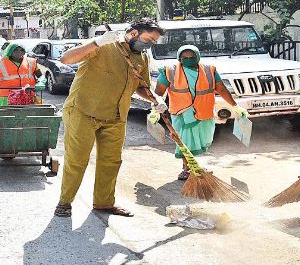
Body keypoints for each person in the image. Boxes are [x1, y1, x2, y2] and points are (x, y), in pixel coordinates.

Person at [54, 18, 167, 218]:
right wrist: (96, 43)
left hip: (116, 115)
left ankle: (104, 203)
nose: (150, 45)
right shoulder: (104, 46)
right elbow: (66, 59)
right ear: (133, 33)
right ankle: (65, 202)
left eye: (154, 42)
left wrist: (155, 99)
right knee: (77, 160)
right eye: (148, 40)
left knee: (111, 161)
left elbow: (141, 86)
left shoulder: (142, 58)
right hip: (84, 111)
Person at [152, 45, 248, 180]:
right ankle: (187, 168)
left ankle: (192, 166)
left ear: (197, 56)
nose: (188, 60)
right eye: (184, 58)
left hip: (204, 112)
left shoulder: (209, 70)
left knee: (204, 140)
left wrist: (235, 106)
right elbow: (158, 93)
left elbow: (221, 89)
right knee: (185, 142)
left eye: (191, 57)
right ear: (179, 58)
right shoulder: (170, 71)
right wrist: (155, 109)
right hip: (182, 113)